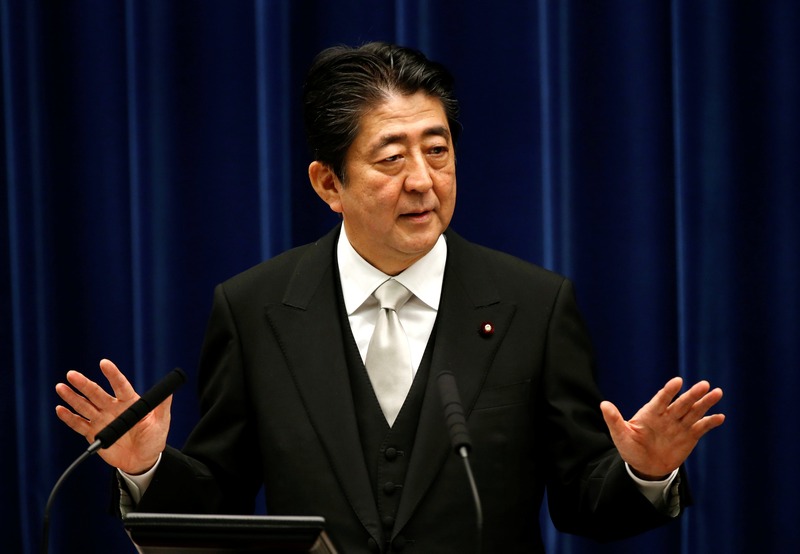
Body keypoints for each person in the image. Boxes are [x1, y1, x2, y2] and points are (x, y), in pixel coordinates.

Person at [55, 42, 725, 553]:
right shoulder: (255, 308)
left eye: (437, 151)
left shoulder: (535, 305)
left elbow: (580, 502)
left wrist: (643, 473)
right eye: (391, 158)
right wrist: (145, 467)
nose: (423, 181)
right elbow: (216, 504)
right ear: (328, 184)